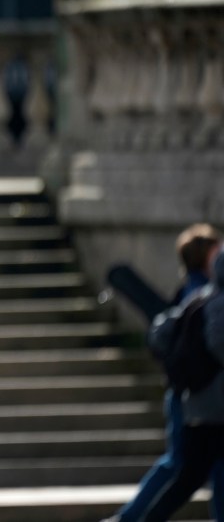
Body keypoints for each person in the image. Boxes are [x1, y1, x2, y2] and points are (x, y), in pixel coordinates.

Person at [103, 223, 223, 522]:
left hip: (192, 393)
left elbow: (161, 333)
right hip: (203, 397)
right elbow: (216, 342)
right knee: (185, 470)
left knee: (191, 470)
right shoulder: (206, 293)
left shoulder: (194, 292)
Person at [141, 248, 224, 521]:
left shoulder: (200, 298)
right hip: (215, 406)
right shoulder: (219, 303)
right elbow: (218, 343)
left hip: (199, 403)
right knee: (190, 476)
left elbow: (161, 332)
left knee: (191, 477)